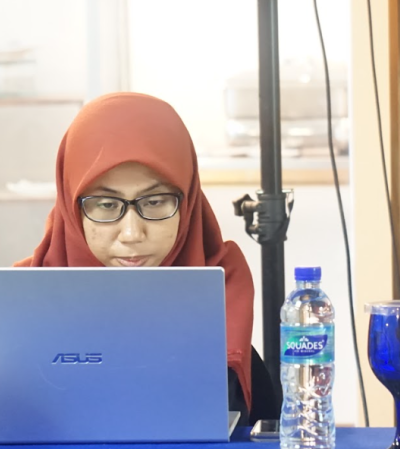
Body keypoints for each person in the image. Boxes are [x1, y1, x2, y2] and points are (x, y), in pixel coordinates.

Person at [16, 92, 271, 424]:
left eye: (154, 202)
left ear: (188, 201)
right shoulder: (15, 310)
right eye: (106, 205)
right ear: (71, 206)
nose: (132, 233)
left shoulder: (225, 308)